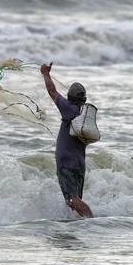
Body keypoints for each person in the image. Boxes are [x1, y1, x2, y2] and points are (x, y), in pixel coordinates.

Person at [41, 62, 94, 218]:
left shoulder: (68, 109)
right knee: (74, 201)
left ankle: (91, 221)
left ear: (70, 97)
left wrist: (45, 74)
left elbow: (52, 91)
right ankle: (75, 231)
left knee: (72, 201)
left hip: (66, 164)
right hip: (80, 165)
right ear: (84, 99)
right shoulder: (85, 116)